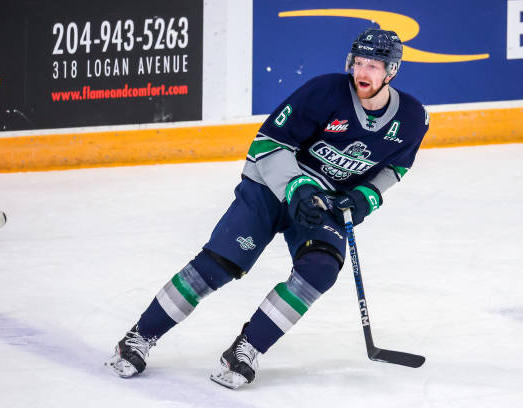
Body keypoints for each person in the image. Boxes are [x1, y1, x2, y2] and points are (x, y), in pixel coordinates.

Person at [106, 28, 429, 389]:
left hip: (318, 201)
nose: (362, 71)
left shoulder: (413, 118)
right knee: (219, 265)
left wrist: (365, 196)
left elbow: (395, 167)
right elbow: (267, 143)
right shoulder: (324, 92)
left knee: (320, 268)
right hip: (268, 185)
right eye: (359, 62)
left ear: (392, 71)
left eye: (374, 65)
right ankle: (137, 338)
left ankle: (246, 349)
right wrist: (296, 187)